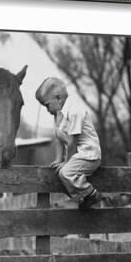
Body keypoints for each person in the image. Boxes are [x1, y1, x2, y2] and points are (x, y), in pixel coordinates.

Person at [35, 77, 103, 209]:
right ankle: (82, 199)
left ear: (58, 98)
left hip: (89, 155)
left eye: (47, 105)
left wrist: (66, 162)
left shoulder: (75, 111)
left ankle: (91, 194)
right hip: (79, 156)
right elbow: (58, 138)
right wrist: (58, 159)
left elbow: (72, 142)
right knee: (60, 173)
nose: (47, 110)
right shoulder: (60, 115)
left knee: (65, 173)